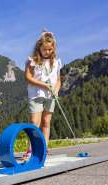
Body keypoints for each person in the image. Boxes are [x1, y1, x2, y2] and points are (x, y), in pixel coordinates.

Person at [23, 30, 63, 160]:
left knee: (46, 122)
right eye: (44, 49)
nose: (47, 52)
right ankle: (30, 150)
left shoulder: (56, 62)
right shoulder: (32, 61)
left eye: (50, 50)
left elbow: (58, 80)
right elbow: (28, 78)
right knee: (35, 123)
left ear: (53, 49)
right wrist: (43, 85)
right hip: (36, 95)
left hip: (50, 96)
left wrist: (56, 90)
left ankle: (44, 149)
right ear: (39, 47)